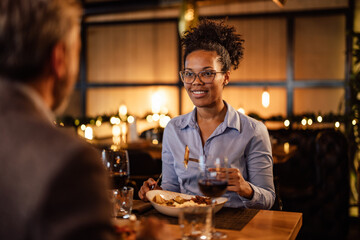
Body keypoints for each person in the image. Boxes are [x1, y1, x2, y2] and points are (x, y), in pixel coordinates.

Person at [139, 19, 275, 209]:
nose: (196, 82)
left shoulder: (253, 131)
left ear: (226, 76)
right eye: (189, 73)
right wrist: (156, 191)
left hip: (237, 226)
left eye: (207, 73)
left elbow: (268, 199)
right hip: (188, 223)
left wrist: (246, 189)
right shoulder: (174, 129)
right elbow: (172, 189)